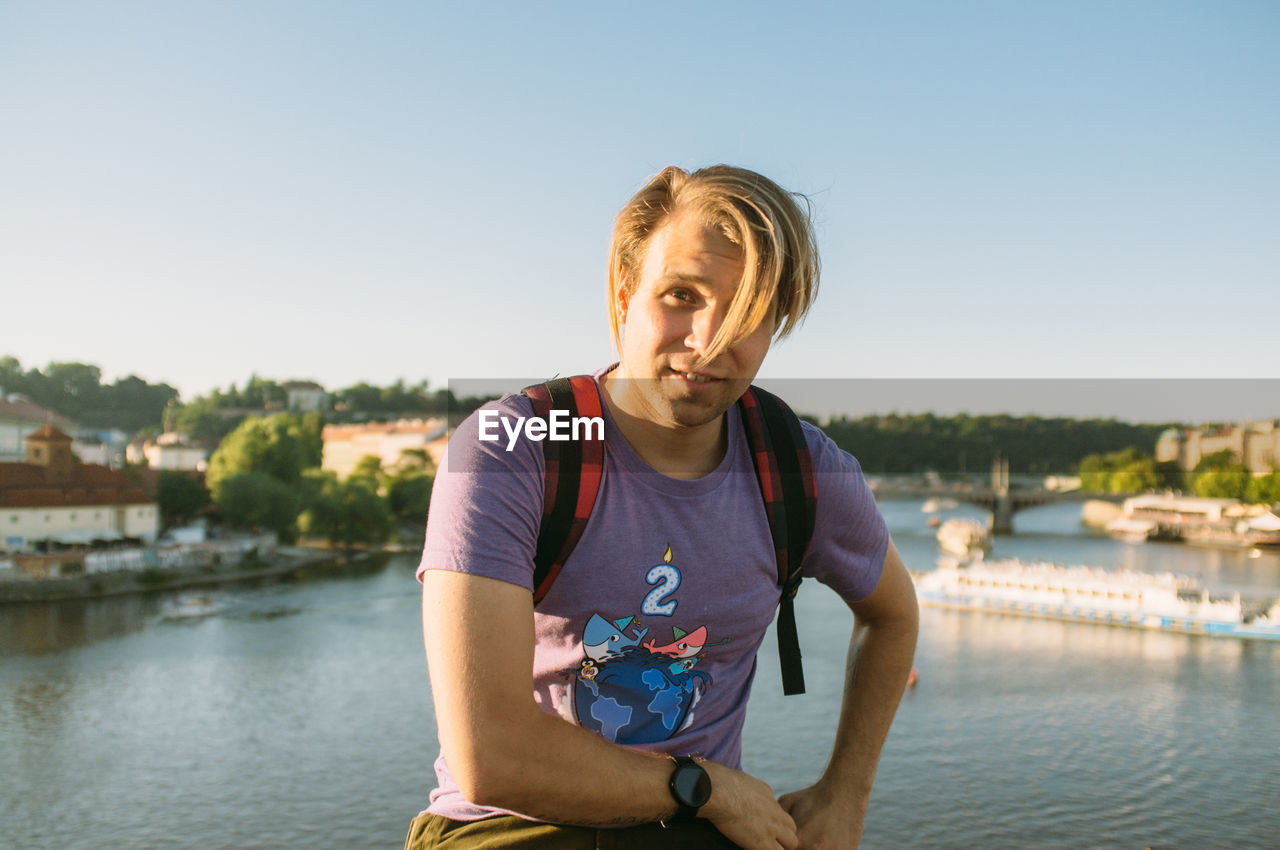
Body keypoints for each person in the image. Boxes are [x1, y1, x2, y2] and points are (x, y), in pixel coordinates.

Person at [407, 165, 919, 850]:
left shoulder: (799, 469)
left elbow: (892, 614)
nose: (707, 340)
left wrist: (845, 795)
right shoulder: (517, 448)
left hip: (697, 829)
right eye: (681, 295)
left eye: (748, 314)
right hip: (512, 828)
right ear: (624, 297)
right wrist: (701, 786)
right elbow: (491, 756)